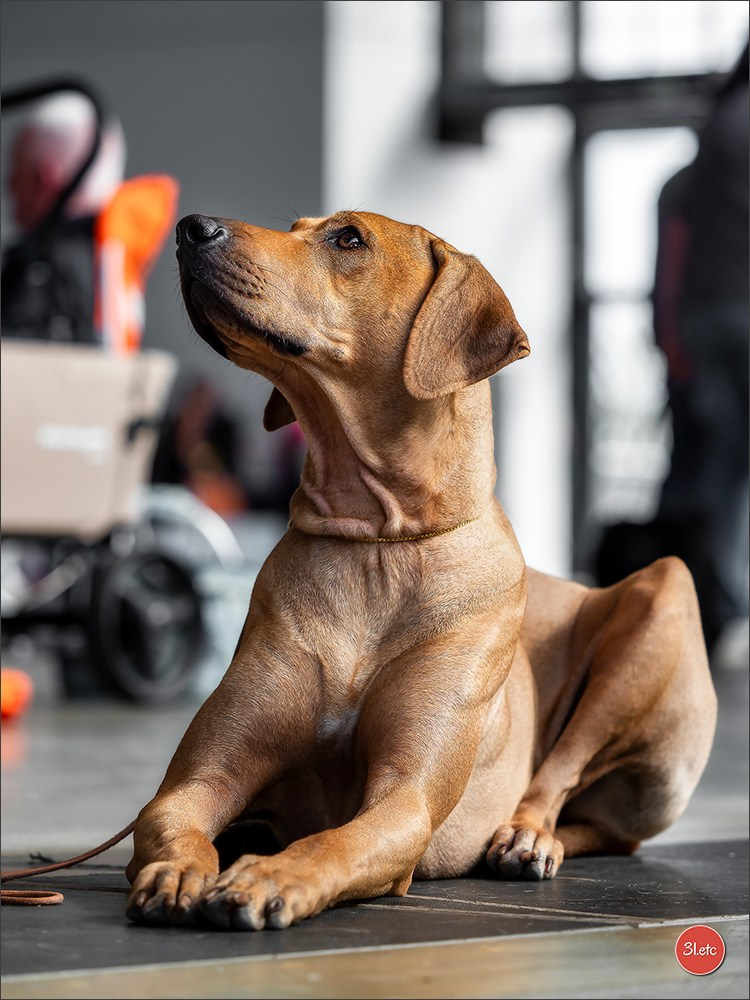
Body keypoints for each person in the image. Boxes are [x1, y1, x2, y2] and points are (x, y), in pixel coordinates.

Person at [596, 46, 749, 656]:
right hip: (725, 327)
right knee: (717, 470)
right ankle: (706, 599)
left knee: (702, 464)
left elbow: (673, 261)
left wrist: (671, 335)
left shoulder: (700, 160)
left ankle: (678, 600)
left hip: (698, 331)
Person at [2, 90, 178, 353]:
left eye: (17, 170)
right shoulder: (103, 256)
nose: (9, 185)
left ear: (44, 179)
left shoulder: (48, 270)